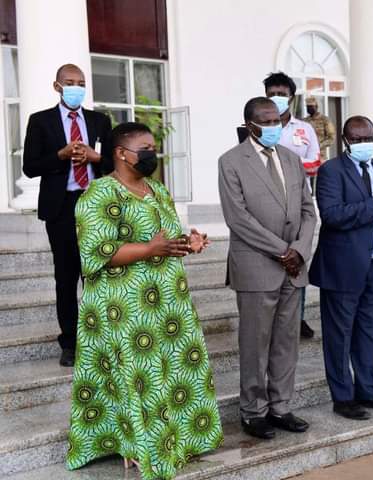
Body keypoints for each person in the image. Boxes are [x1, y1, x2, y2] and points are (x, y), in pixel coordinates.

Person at [66, 122, 223, 479]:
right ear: (121, 154)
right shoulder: (99, 194)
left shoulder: (156, 189)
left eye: (153, 147)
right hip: (124, 304)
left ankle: (177, 441)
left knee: (173, 372)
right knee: (138, 377)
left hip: (168, 301)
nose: (152, 154)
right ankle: (136, 446)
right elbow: (94, 253)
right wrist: (151, 249)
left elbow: (164, 239)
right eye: (146, 148)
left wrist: (188, 242)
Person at [219, 97, 317, 440]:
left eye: (277, 119)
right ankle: (253, 411)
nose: (275, 125)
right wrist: (282, 251)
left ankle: (280, 406)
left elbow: (309, 210)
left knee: (286, 342)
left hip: (294, 266)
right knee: (255, 343)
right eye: (266, 121)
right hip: (257, 265)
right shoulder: (231, 162)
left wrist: (300, 250)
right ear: (250, 125)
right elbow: (238, 218)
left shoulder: (291, 159)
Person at [309, 116, 373, 420]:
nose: (364, 143)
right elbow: (333, 216)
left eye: (369, 138)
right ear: (345, 140)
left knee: (368, 332)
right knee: (339, 335)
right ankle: (343, 397)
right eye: (357, 138)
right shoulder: (330, 171)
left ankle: (368, 390)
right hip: (342, 267)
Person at [22, 63, 112, 367]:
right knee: (66, 276)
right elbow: (30, 166)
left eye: (81, 82)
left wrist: (95, 156)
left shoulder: (100, 121)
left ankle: (100, 337)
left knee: (97, 274)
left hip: (96, 205)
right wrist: (60, 156)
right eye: (70, 82)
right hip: (61, 207)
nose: (77, 87)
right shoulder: (41, 121)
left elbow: (114, 163)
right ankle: (71, 343)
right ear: (57, 86)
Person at [264, 71, 320, 339]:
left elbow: (315, 161)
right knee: (271, 258)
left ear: (291, 97)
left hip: (299, 203)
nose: (277, 98)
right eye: (272, 94)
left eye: (282, 94)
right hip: (266, 204)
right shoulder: (258, 126)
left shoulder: (304, 129)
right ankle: (272, 317)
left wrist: (287, 167)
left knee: (298, 257)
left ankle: (297, 318)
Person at [303, 96, 337, 160]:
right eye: (307, 107)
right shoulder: (304, 121)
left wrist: (319, 145)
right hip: (306, 155)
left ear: (316, 107)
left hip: (320, 156)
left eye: (311, 106)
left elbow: (332, 137)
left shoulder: (325, 120)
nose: (309, 109)